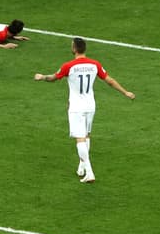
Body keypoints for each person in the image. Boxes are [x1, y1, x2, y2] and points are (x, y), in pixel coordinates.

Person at [33, 37, 135, 183]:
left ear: (74, 49)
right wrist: (125, 92)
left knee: (79, 139)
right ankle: (81, 167)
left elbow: (53, 78)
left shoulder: (69, 66)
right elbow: (110, 81)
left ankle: (89, 172)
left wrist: (41, 76)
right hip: (90, 105)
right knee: (86, 135)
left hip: (76, 107)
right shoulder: (95, 64)